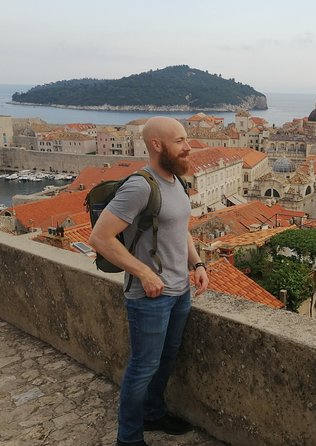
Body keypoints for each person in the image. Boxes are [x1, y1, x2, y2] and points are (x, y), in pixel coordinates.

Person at [89, 116, 209, 446]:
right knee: (142, 368)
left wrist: (196, 263)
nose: (188, 147)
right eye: (180, 141)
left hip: (180, 291)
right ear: (157, 145)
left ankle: (153, 413)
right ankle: (128, 438)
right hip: (149, 296)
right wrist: (143, 273)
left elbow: (179, 229)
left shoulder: (176, 182)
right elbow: (100, 237)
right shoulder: (140, 186)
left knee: (166, 360)